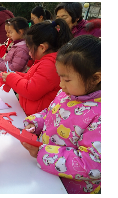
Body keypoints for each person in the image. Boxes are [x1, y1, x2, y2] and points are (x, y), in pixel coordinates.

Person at [21, 35, 101, 194]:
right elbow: (50, 113)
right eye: (60, 77)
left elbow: (92, 164)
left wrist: (42, 153)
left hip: (69, 187)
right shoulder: (67, 93)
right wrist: (35, 123)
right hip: (44, 174)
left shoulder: (98, 116)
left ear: (95, 78)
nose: (60, 84)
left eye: (67, 80)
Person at [1, 19, 73, 116]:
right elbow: (32, 79)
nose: (29, 53)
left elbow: (31, 90)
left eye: (30, 49)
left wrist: (11, 78)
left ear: (43, 48)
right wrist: (16, 75)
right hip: (30, 114)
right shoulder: (45, 61)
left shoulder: (50, 65)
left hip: (37, 120)